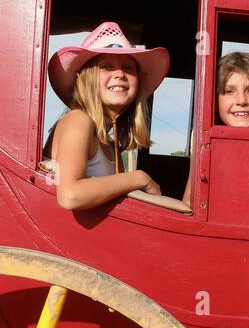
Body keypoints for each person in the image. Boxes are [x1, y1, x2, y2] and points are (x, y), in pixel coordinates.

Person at [45, 21, 168, 211]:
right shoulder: (78, 120)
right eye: (107, 67)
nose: (119, 74)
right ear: (84, 78)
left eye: (128, 68)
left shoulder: (111, 147)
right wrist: (139, 178)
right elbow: (70, 195)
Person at [181, 51, 249, 204]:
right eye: (229, 91)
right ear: (215, 102)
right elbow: (190, 200)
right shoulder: (202, 135)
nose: (241, 100)